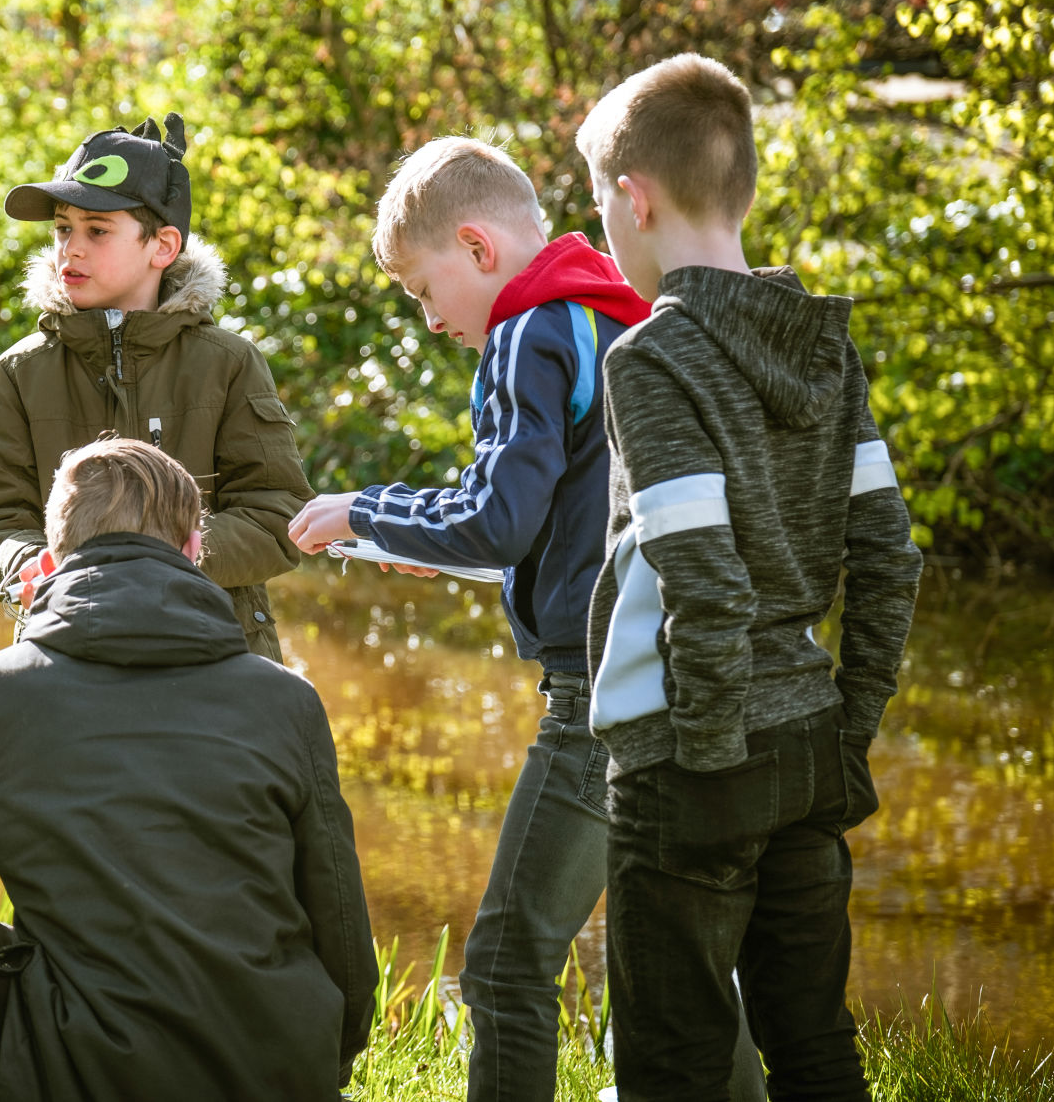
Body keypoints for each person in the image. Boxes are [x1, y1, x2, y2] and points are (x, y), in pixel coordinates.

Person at [288, 138, 766, 1101]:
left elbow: (498, 519)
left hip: (605, 692)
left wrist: (362, 513)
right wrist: (432, 539)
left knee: (507, 964)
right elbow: (564, 516)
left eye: (424, 292)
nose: (429, 321)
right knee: (683, 965)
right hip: (709, 677)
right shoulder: (617, 316)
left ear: (475, 246)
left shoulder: (527, 329)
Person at [0, 437, 379, 1102]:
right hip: (275, 1079)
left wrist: (15, 969)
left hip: (83, 1078)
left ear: (51, 558)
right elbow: (343, 939)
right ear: (196, 551)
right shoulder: (287, 698)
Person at [577, 54, 922, 1100]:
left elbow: (704, 578)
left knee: (670, 1069)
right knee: (813, 1045)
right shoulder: (823, 348)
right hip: (807, 742)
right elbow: (886, 560)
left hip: (694, 761)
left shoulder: (650, 357)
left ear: (631, 198)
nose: (602, 230)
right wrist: (846, 728)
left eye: (598, 206)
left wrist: (711, 752)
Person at [0, 113, 312, 660]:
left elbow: (278, 512)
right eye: (62, 228)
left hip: (213, 651)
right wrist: (33, 568)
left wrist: (169, 560)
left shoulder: (230, 364)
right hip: (68, 649)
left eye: (97, 231)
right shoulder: (19, 372)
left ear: (163, 245)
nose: (70, 249)